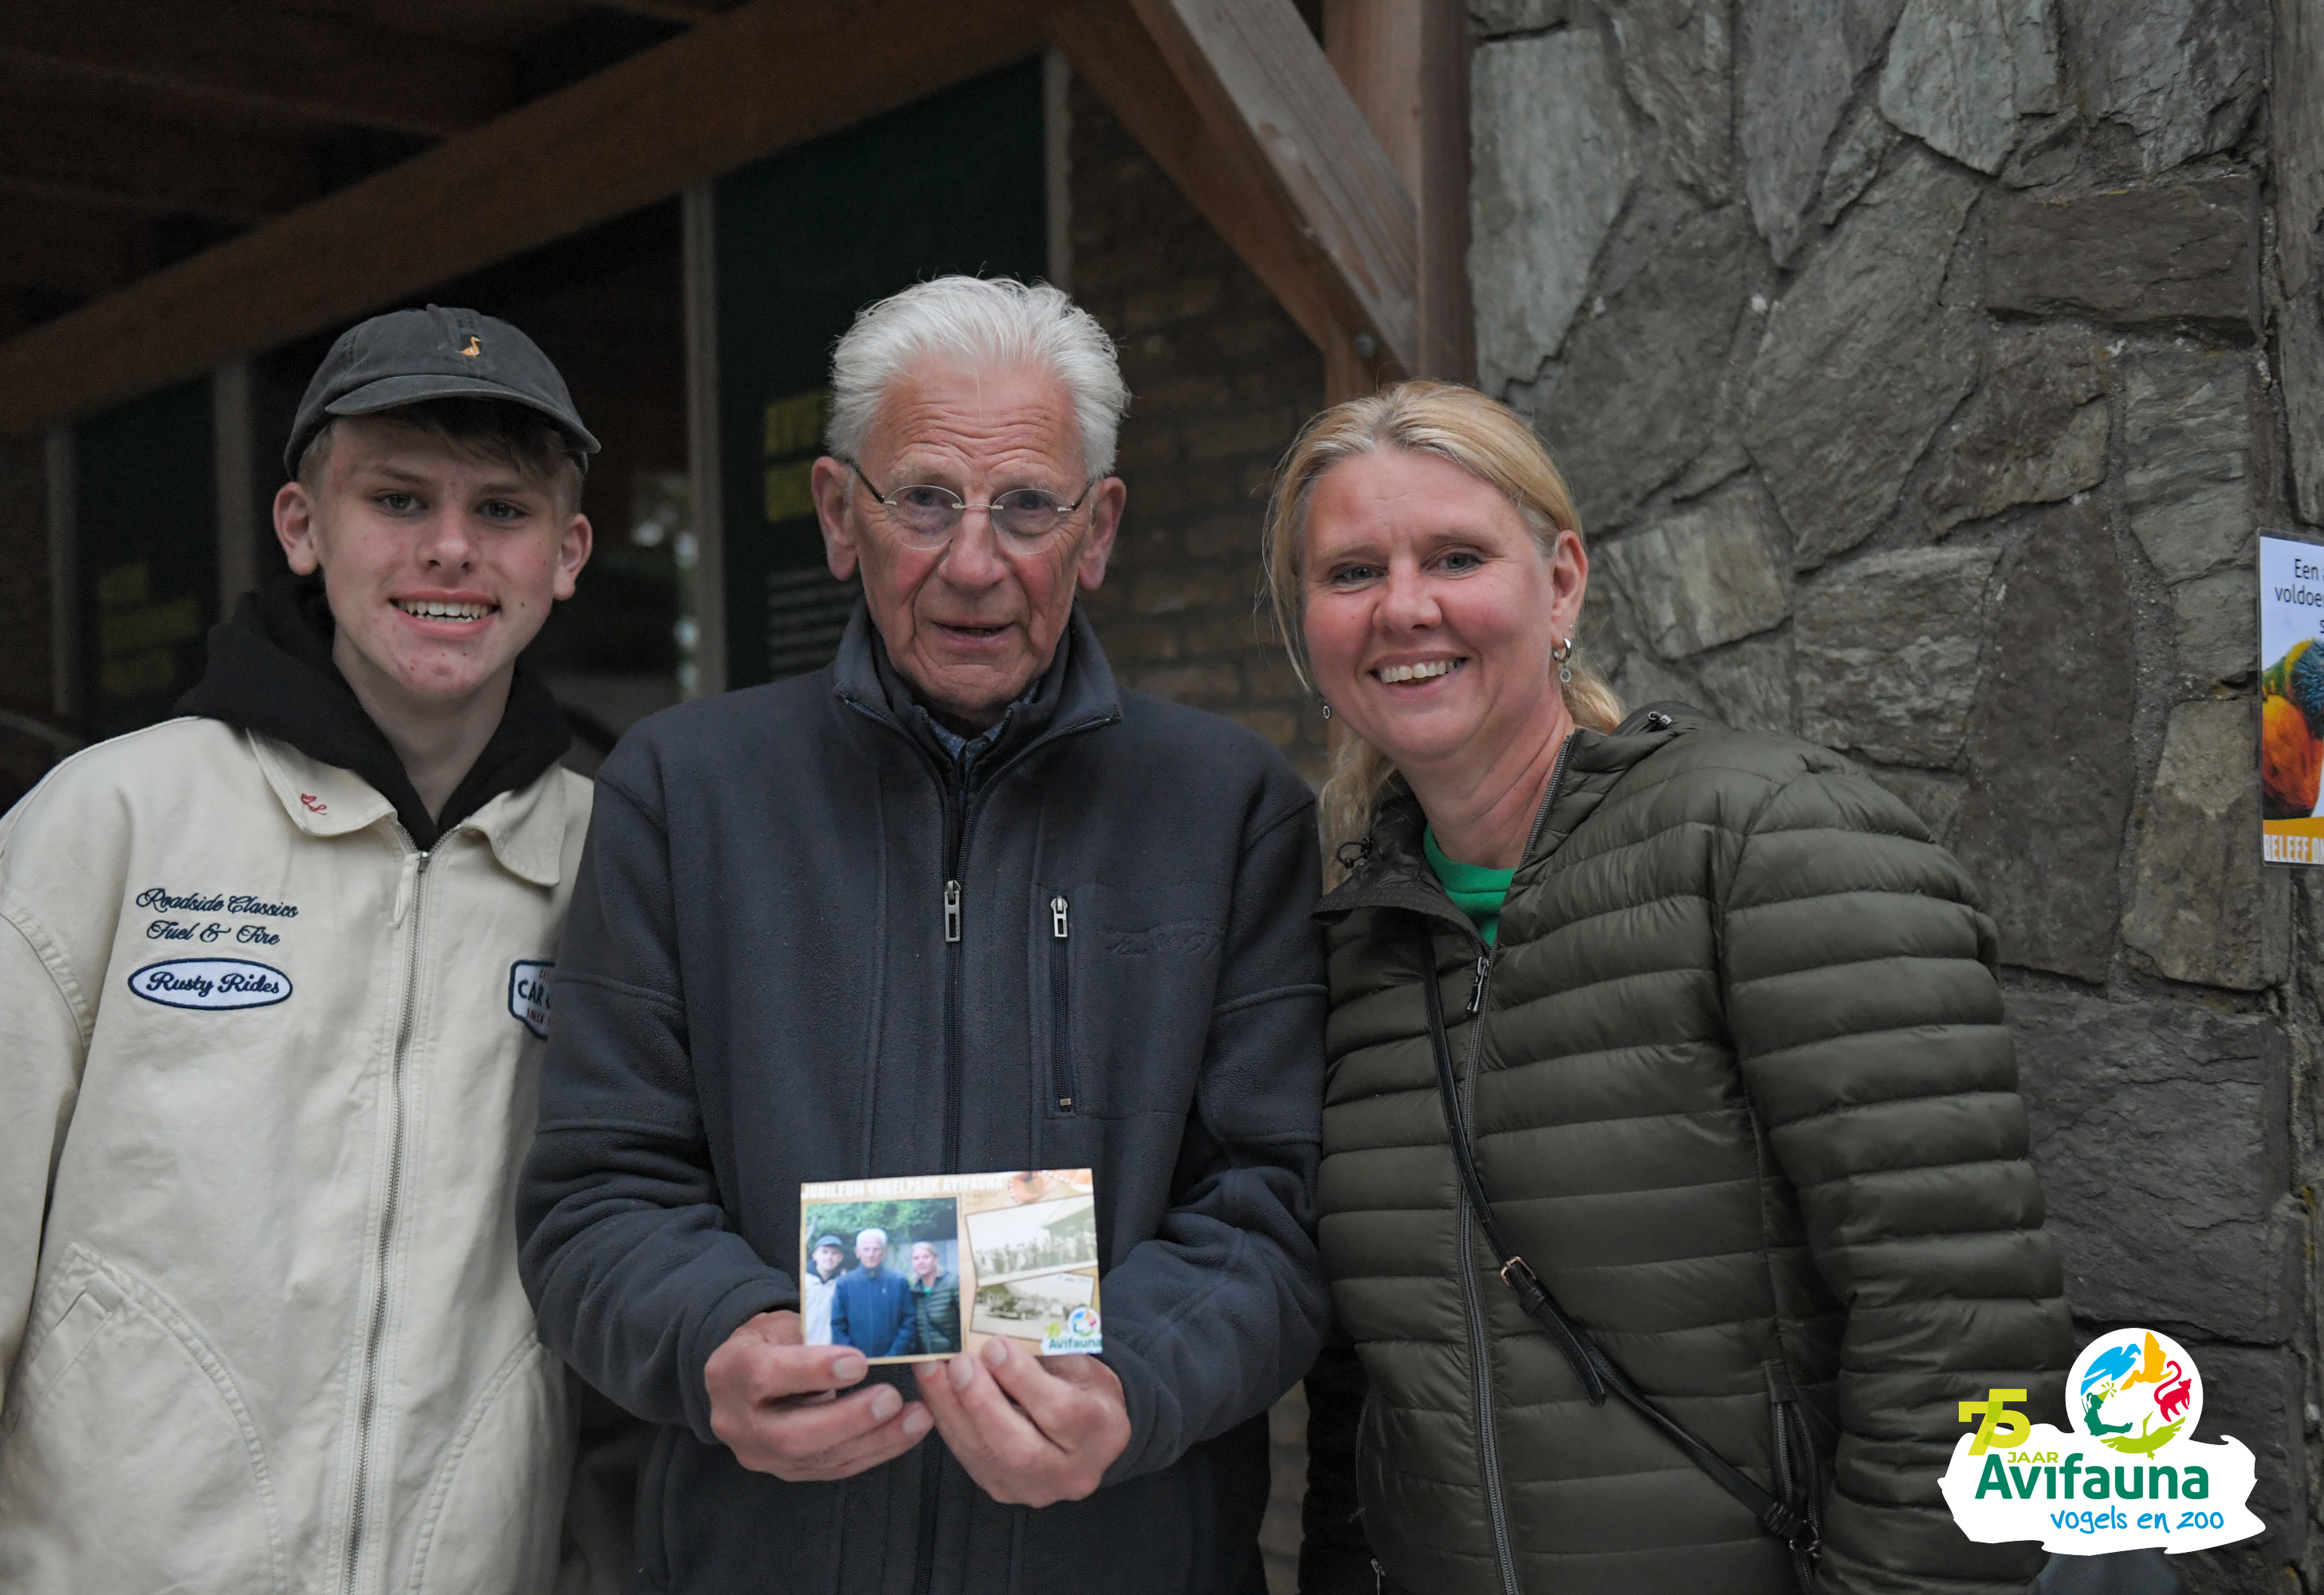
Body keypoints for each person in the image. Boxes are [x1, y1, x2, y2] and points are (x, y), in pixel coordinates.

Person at [517, 274, 1330, 1593]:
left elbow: (1273, 1209)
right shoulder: (682, 791)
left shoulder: (1230, 808)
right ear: (841, 515)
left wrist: (1130, 1382)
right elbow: (596, 1195)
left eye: (1027, 507)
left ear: (1099, 530)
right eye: (926, 500)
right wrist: (715, 1336)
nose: (973, 562)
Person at [1267, 382, 2074, 1595]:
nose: (1405, 607)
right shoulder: (1357, 947)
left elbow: (1969, 1338)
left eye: (1456, 557)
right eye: (1351, 573)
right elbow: (1366, 1402)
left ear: (1562, 585)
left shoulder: (1769, 841)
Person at [0, 305, 628, 1593]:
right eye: (398, 499)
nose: (451, 548)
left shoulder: (616, 870)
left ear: (567, 553)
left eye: (503, 510)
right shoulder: (111, 823)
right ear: (303, 528)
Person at [831, 1228, 917, 1359]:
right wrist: (852, 1356)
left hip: (893, 1361)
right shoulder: (845, 1284)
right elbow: (837, 1324)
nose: (871, 1254)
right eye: (866, 1249)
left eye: (876, 1249)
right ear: (858, 1252)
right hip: (855, 1362)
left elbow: (908, 1322)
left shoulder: (899, 1282)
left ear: (884, 1251)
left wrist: (893, 1355)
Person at [908, 1241, 962, 1355]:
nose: (921, 1262)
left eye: (926, 1257)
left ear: (936, 1260)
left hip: (953, 1355)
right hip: (926, 1359)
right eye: (916, 1258)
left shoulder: (953, 1283)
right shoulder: (913, 1291)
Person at [803, 1232, 847, 1345]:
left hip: (826, 1349)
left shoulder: (841, 1286)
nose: (829, 1257)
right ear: (815, 1255)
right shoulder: (803, 1281)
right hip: (800, 1348)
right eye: (825, 1252)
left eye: (834, 1253)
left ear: (840, 1258)